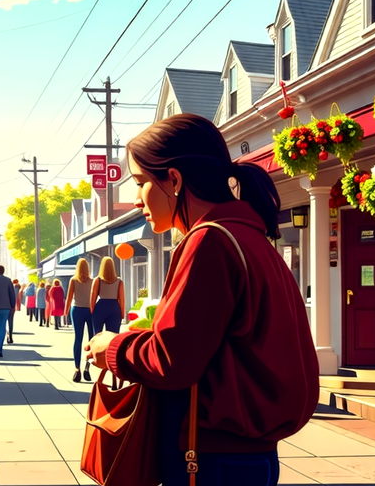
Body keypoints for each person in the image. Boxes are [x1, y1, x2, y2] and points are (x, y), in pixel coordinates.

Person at [84, 114, 318, 486]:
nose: (136, 198)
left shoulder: (209, 241)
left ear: (174, 180)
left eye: (142, 182)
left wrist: (112, 348)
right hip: (246, 454)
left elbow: (172, 360)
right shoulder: (249, 236)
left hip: (211, 458)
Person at [64, 259, 94, 382]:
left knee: (78, 338)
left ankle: (77, 369)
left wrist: (65, 312)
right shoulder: (93, 281)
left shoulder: (73, 280)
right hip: (90, 311)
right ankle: (88, 366)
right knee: (91, 340)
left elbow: (69, 297)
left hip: (76, 310)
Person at [90, 257, 125, 336]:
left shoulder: (97, 280)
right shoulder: (119, 281)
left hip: (100, 308)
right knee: (113, 336)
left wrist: (92, 311)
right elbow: (122, 300)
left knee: (97, 335)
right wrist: (122, 313)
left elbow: (92, 298)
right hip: (114, 308)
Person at [7, 279, 21, 344]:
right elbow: (15, 297)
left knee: (3, 322)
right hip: (12, 307)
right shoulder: (15, 288)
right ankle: (10, 336)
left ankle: (7, 335)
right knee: (11, 321)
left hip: (5, 307)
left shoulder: (6, 289)